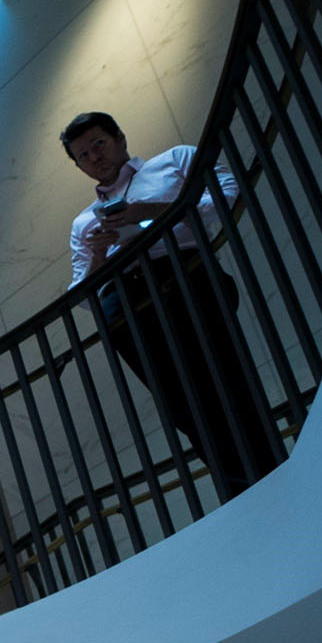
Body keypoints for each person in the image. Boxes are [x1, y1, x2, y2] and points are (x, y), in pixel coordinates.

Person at [61, 109, 282, 497]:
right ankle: (238, 489)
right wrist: (99, 253)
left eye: (98, 143)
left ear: (120, 138)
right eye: (82, 155)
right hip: (124, 306)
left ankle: (270, 474)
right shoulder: (83, 224)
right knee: (181, 406)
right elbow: (82, 294)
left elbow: (226, 197)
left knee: (226, 378)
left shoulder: (174, 161)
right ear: (79, 167)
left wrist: (148, 214)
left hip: (183, 276)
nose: (93, 157)